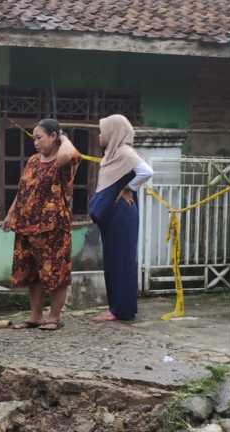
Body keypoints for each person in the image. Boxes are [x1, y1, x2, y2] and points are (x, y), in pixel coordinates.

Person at [3, 118, 80, 331]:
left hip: (53, 228)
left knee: (55, 273)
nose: (35, 142)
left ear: (54, 136)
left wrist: (63, 136)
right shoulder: (33, 161)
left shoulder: (63, 162)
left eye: (40, 137)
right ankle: (35, 316)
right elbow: (22, 191)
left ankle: (53, 317)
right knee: (33, 273)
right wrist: (11, 214)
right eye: (34, 138)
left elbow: (69, 154)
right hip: (26, 226)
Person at [89, 114, 153, 322]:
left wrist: (129, 188)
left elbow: (146, 171)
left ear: (113, 132)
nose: (100, 135)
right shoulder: (113, 154)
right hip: (115, 214)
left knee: (122, 260)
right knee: (114, 260)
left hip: (122, 213)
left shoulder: (125, 153)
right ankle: (116, 308)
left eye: (103, 131)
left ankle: (122, 310)